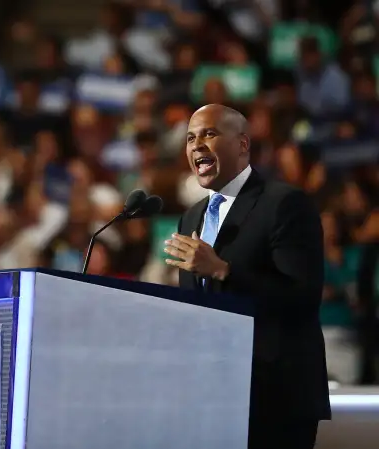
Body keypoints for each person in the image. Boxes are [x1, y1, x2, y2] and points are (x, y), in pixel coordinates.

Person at [163, 104, 330, 449]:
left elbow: (302, 297)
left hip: (275, 397)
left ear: (242, 145)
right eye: (190, 138)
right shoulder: (191, 217)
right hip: (212, 395)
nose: (197, 145)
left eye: (209, 133)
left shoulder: (284, 203)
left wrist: (223, 269)